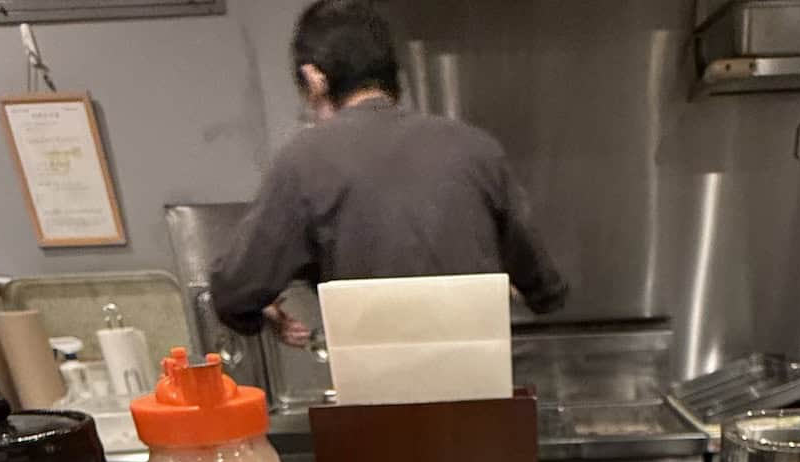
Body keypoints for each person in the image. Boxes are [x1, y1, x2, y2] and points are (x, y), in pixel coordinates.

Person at [210, 0, 567, 347]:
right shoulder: (478, 148)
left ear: (314, 79)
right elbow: (546, 288)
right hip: (482, 394)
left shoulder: (303, 160)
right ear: (393, 76)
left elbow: (234, 293)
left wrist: (263, 314)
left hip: (374, 398)